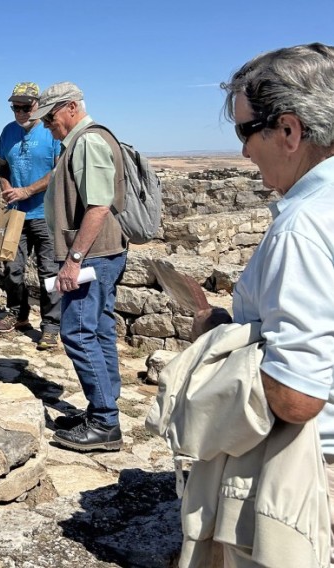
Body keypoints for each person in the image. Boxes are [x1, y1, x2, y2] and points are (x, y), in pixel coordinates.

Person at [191, 42, 334, 566]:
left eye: (244, 131)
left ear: (290, 131)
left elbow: (298, 397)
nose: (243, 153)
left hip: (307, 471)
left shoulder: (302, 228)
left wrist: (221, 340)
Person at [31, 82, 127, 452]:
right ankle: (103, 408)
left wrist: (73, 260)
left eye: (50, 117)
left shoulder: (87, 141)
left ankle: (105, 422)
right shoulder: (78, 142)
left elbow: (99, 206)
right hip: (99, 254)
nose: (46, 125)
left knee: (79, 333)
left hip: (93, 256)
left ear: (71, 108)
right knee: (99, 330)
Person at [0, 82, 62, 350]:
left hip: (46, 214)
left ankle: (51, 326)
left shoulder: (51, 131)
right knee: (12, 269)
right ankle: (18, 314)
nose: (19, 112)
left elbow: (57, 172)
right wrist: (7, 188)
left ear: (38, 105)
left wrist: (28, 191)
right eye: (15, 107)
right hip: (16, 215)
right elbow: (2, 168)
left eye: (25, 107)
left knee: (49, 272)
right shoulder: (8, 132)